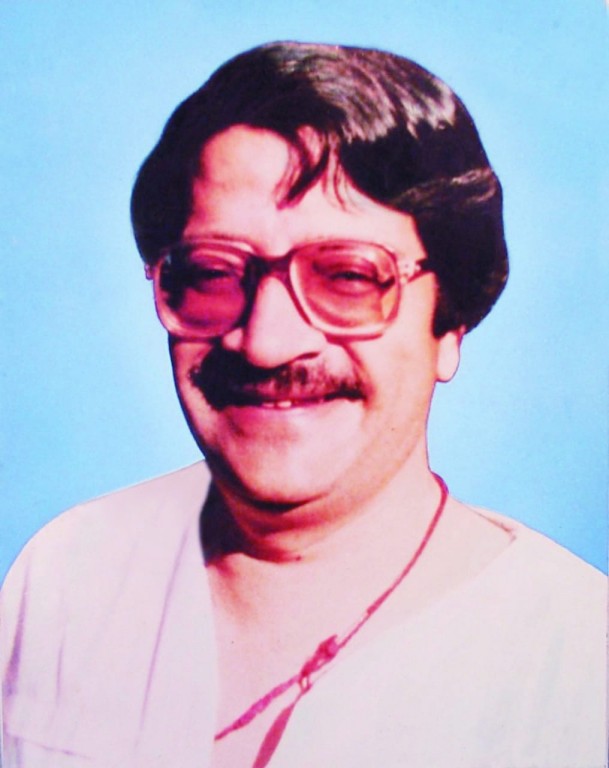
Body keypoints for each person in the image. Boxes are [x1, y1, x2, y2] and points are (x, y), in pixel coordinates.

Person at [1, 41, 605, 768]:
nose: (265, 342)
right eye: (213, 272)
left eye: (347, 277)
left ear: (450, 325)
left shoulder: (574, 662)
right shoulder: (67, 577)